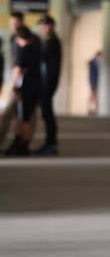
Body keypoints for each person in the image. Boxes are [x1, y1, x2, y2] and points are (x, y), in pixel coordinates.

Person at [5, 23, 43, 156]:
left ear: (19, 38)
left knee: (23, 118)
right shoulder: (36, 48)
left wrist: (12, 86)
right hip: (36, 86)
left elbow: (17, 70)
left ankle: (22, 146)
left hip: (25, 88)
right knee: (27, 116)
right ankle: (24, 145)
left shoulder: (23, 50)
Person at [34, 15, 62, 155]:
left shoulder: (52, 42)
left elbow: (41, 57)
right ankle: (50, 143)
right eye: (41, 26)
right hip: (46, 82)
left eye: (45, 26)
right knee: (46, 114)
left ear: (51, 26)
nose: (43, 28)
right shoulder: (49, 41)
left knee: (48, 114)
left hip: (48, 83)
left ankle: (51, 145)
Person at [0, 12, 25, 149]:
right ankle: (16, 142)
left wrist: (15, 84)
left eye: (15, 23)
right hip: (10, 82)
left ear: (21, 22)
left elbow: (20, 65)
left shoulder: (24, 39)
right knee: (12, 115)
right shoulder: (12, 39)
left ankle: (18, 143)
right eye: (11, 24)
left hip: (17, 83)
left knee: (9, 115)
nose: (12, 26)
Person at [88, 51, 101, 116]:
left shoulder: (94, 62)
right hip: (94, 80)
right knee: (93, 94)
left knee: (94, 94)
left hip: (94, 80)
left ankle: (93, 108)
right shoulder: (94, 62)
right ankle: (92, 108)